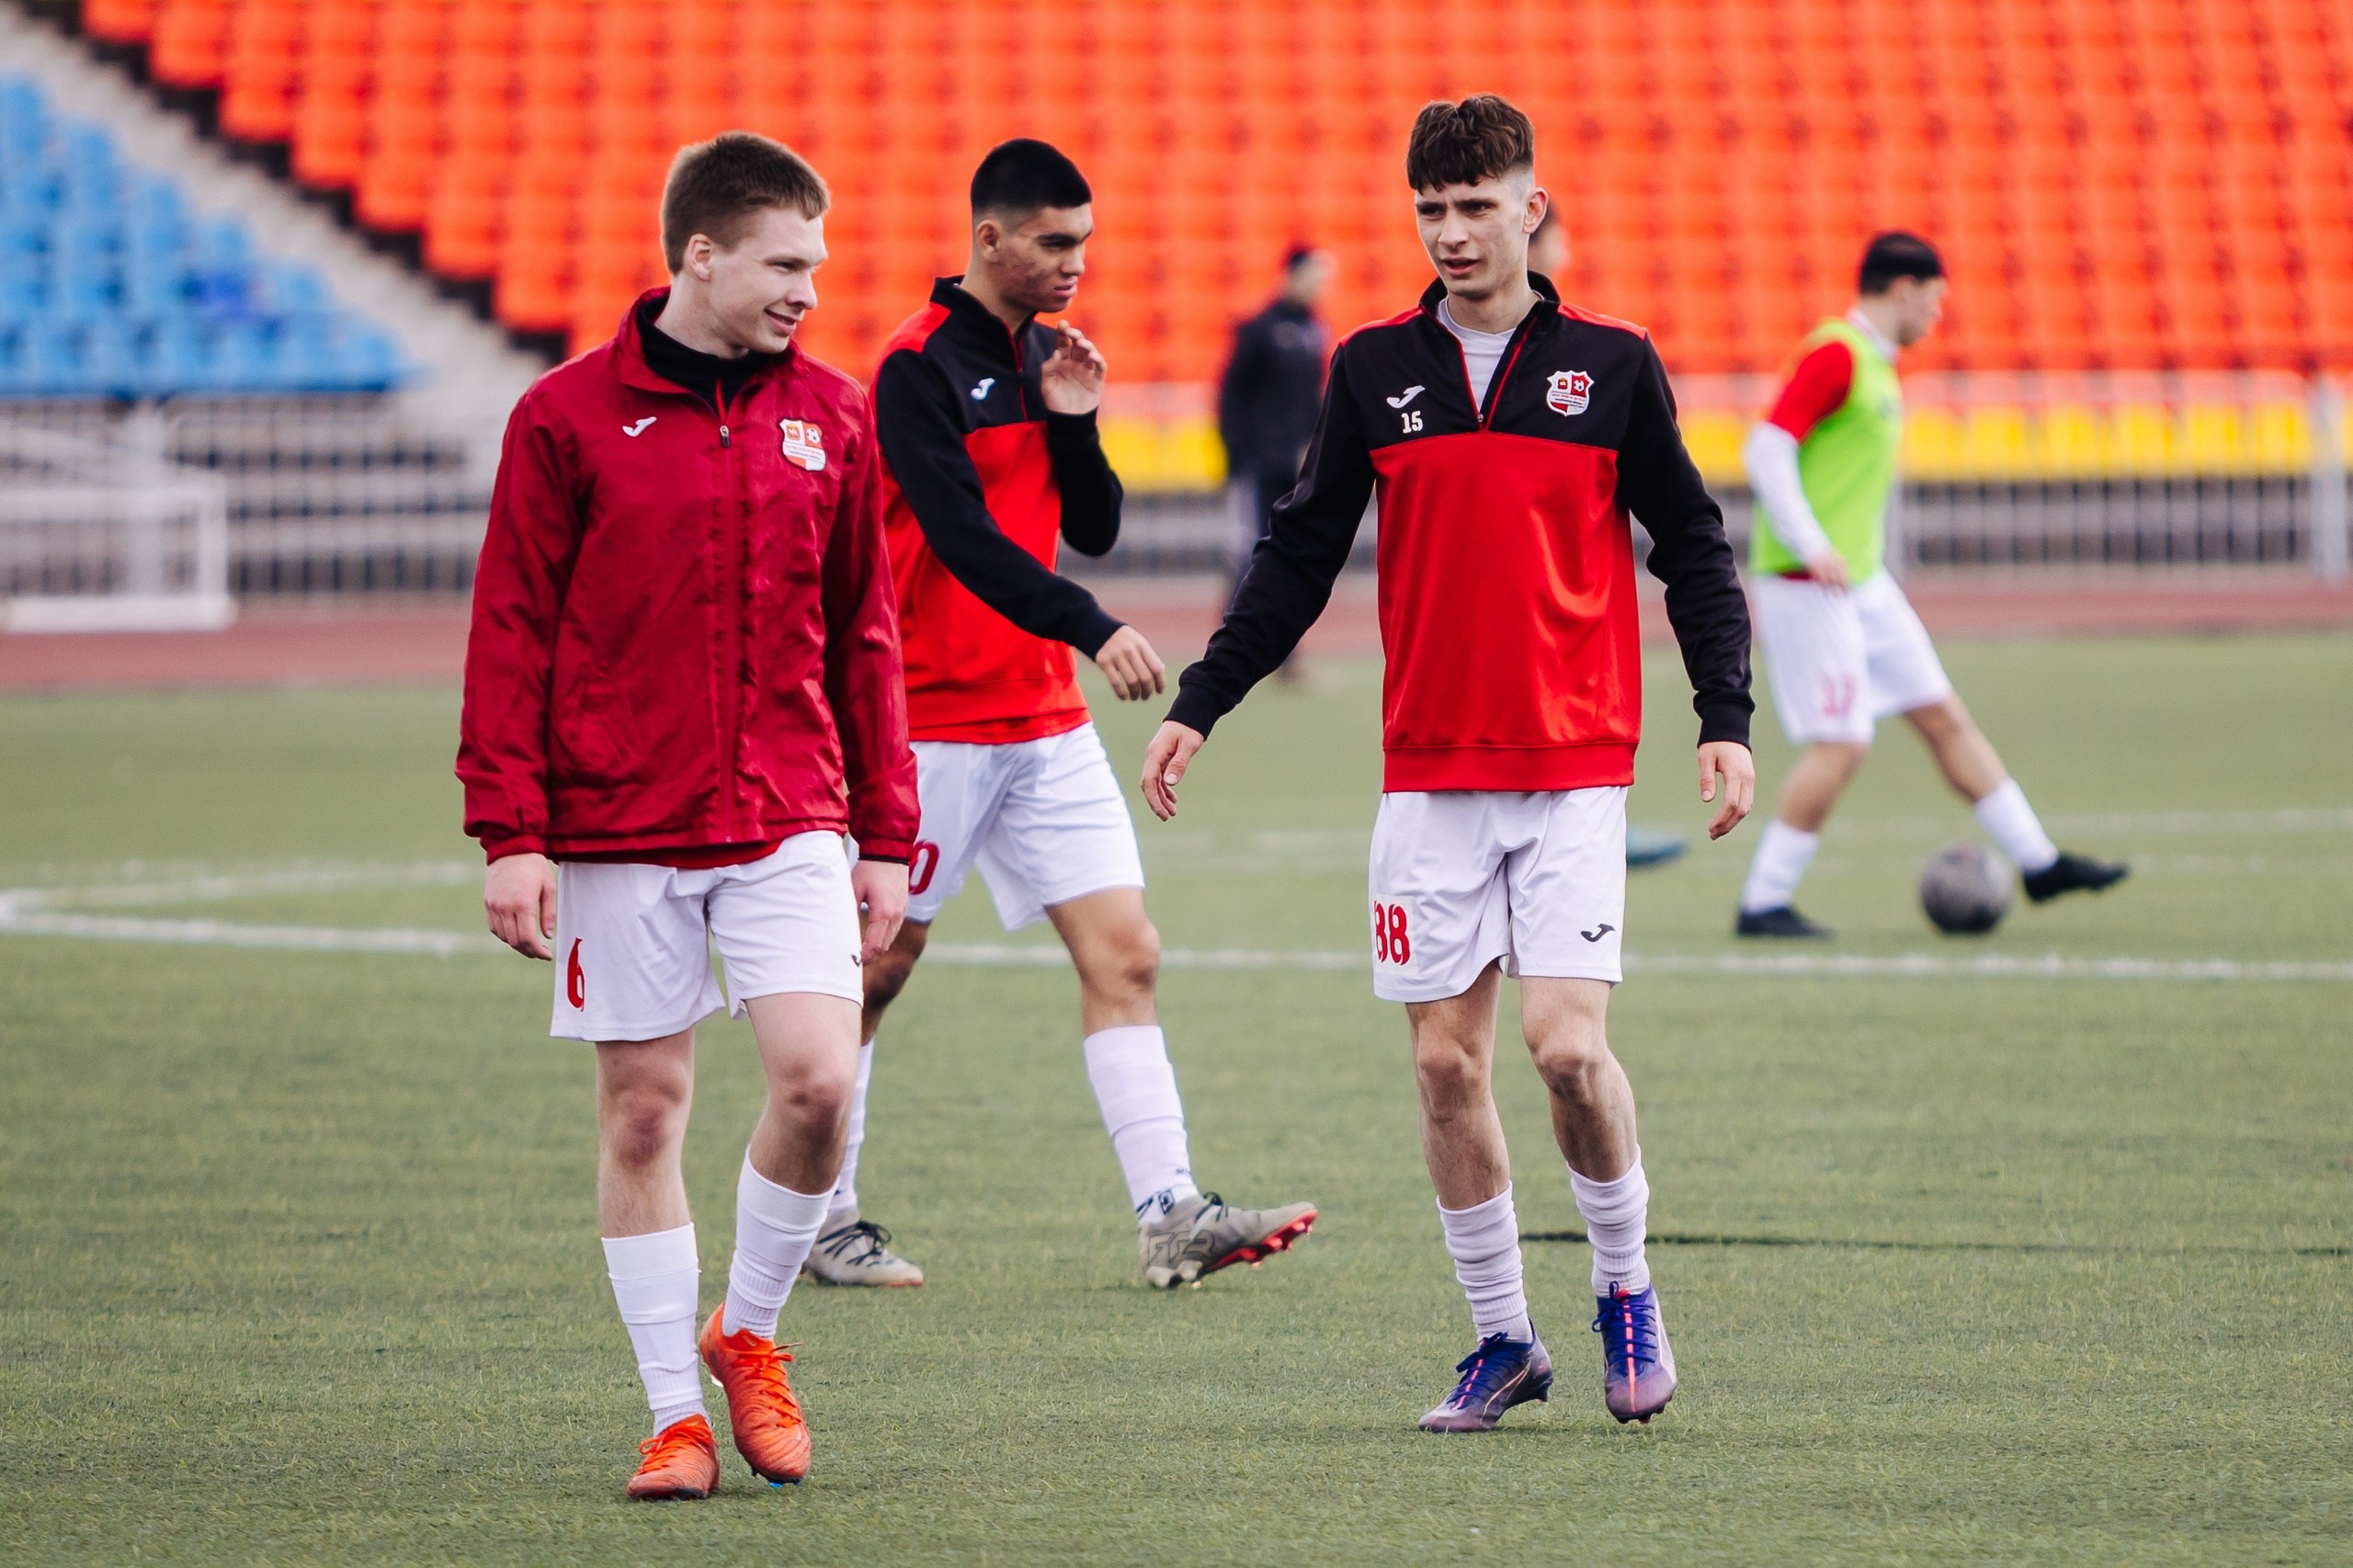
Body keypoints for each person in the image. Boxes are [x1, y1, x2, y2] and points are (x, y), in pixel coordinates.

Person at [1141, 97, 1756, 1430]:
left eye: (1477, 205)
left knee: (1567, 1049)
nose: (1453, 230)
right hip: (1427, 775)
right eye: (1431, 209)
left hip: (1573, 763)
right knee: (1441, 1067)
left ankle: (1625, 1285)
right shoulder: (1371, 368)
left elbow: (1694, 544)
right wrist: (1204, 700)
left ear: (1530, 208)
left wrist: (1725, 714)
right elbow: (1300, 551)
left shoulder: (1614, 364)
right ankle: (1502, 1339)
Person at [458, 132, 917, 1502]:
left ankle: (748, 1331)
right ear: (699, 256)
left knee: (820, 1081)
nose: (807, 292)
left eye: (816, 266)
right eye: (784, 265)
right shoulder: (562, 416)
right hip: (616, 821)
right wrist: (511, 829)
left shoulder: (834, 414)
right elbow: (512, 627)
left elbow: (866, 634)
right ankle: (674, 1416)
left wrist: (885, 832)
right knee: (645, 1116)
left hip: (790, 810)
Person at [821, 137, 1316, 1291]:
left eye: (1083, 241)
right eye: (1052, 242)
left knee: (1126, 953)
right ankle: (820, 1215)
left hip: (1040, 721)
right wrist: (1093, 626)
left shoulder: (1046, 354)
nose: (1074, 262)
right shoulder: (914, 367)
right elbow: (962, 540)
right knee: (874, 969)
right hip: (927, 720)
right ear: (989, 237)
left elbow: (1089, 524)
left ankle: (1170, 1214)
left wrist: (1077, 419)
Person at [1733, 232, 2128, 937]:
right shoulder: (1837, 353)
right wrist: (1812, 546)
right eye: (1935, 299)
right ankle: (1764, 901)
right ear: (1905, 288)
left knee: (1941, 714)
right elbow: (1766, 448)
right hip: (1807, 583)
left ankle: (2039, 864)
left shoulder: (1876, 365)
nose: (1938, 315)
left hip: (1861, 580)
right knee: (1841, 742)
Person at [1218, 245, 1333, 613]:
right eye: (1315, 278)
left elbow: (1314, 398)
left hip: (1295, 463)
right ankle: (1235, 629)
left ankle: (1280, 637)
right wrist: (1238, 455)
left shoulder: (1315, 330)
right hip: (1259, 461)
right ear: (1292, 276)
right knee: (1252, 548)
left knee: (1288, 549)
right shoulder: (1259, 329)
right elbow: (1231, 394)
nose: (1320, 287)